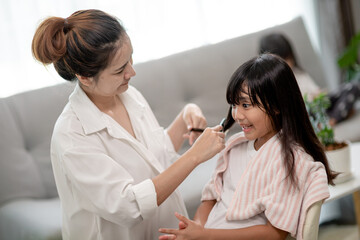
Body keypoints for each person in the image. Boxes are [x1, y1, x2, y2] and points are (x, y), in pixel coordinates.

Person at [31, 9, 226, 240]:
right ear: (84, 76)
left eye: (130, 58)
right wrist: (194, 156)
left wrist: (185, 115)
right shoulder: (72, 136)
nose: (131, 72)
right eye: (120, 69)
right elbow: (129, 206)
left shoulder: (129, 95)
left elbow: (156, 157)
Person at [158, 54, 337, 240]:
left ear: (276, 105)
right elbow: (210, 197)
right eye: (234, 105)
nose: (237, 115)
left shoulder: (292, 161)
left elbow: (274, 234)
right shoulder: (234, 147)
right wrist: (194, 230)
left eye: (245, 105)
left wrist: (205, 235)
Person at [259, 32, 360, 126]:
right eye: (282, 60)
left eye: (288, 58)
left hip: (319, 106)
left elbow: (316, 91)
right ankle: (335, 118)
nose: (287, 63)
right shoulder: (270, 84)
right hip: (304, 113)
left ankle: (332, 118)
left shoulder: (300, 73)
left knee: (352, 87)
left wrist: (319, 94)